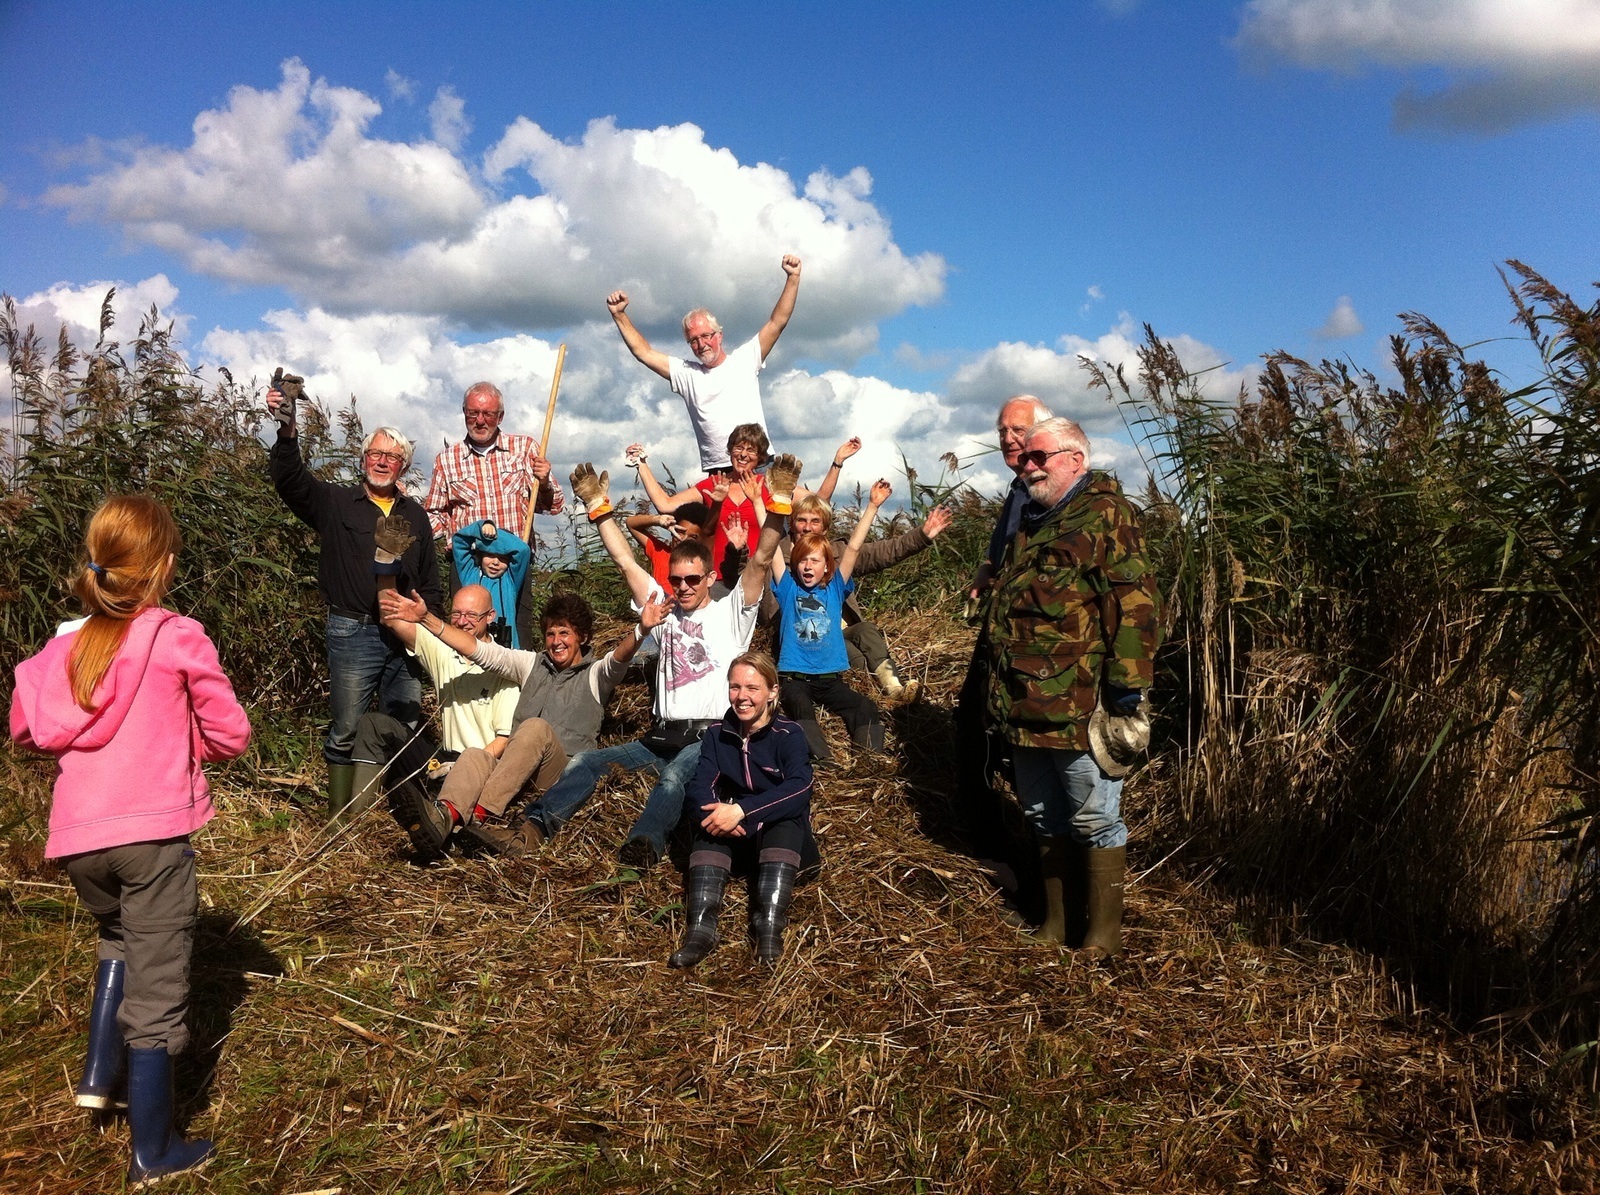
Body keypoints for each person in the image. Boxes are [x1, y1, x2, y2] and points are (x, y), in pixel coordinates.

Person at [9, 495, 251, 1185]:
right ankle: (155, 1148)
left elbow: (27, 726)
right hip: (151, 840)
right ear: (165, 567)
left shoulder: (68, 642)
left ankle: (97, 1077)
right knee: (159, 989)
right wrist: (190, 744)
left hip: (78, 840)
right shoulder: (178, 635)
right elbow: (231, 732)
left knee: (116, 939)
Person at [540, 454, 793, 868]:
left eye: (693, 579)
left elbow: (762, 560)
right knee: (588, 761)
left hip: (709, 736)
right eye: (676, 579)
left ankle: (642, 847)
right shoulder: (663, 609)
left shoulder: (731, 612)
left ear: (710, 578)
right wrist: (599, 508)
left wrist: (779, 502)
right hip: (659, 736)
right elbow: (626, 562)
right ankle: (534, 827)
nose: (684, 587)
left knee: (676, 776)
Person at [979, 417, 1161, 958]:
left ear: (1075, 460)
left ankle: (1102, 934)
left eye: (1041, 457)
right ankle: (1057, 923)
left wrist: (1128, 690)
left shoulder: (1107, 514)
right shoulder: (1033, 519)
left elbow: (1136, 604)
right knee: (1042, 815)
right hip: (1023, 702)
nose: (1028, 465)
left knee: (1094, 818)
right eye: (1025, 458)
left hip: (1080, 701)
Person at [267, 381, 441, 820]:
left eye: (393, 456)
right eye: (375, 454)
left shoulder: (415, 515)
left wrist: (428, 621)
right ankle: (341, 822)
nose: (383, 461)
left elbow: (430, 579)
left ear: (403, 465)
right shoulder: (336, 502)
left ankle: (393, 808)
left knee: (403, 722)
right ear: (364, 459)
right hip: (352, 631)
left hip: (405, 637)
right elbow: (289, 480)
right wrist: (287, 427)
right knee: (345, 727)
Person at [380, 590, 656, 852]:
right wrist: (426, 619)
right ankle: (443, 818)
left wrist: (641, 630)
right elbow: (479, 651)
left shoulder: (597, 675)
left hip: (560, 775)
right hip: (516, 771)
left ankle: (479, 815)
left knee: (535, 728)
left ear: (582, 637)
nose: (556, 641)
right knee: (475, 755)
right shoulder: (530, 664)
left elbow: (619, 659)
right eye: (550, 634)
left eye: (564, 633)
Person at [954, 395, 1054, 903]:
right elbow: (1002, 551)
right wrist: (985, 571)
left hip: (1035, 647)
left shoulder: (1052, 492)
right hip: (999, 635)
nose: (1010, 440)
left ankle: (1038, 879)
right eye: (1003, 432)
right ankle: (996, 852)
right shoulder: (1019, 490)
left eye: (1020, 430)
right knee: (973, 733)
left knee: (1015, 751)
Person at [347, 583, 520, 857]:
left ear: (490, 616)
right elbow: (391, 617)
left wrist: (462, 767)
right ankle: (358, 823)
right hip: (442, 760)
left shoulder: (505, 667)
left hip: (480, 767)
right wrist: (385, 563)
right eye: (457, 614)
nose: (462, 622)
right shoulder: (444, 652)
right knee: (374, 725)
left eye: (472, 615)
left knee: (457, 777)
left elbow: (504, 740)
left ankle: (442, 825)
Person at [669, 653, 814, 968]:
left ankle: (769, 928)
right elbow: (698, 786)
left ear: (772, 692)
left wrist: (743, 810)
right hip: (737, 839)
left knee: (786, 817)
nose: (742, 696)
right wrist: (720, 814)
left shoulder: (789, 734)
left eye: (752, 687)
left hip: (782, 841)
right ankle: (701, 931)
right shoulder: (717, 733)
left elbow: (800, 788)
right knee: (708, 821)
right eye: (735, 687)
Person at [606, 255, 803, 474]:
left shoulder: (745, 359)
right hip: (718, 472)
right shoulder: (687, 374)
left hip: (759, 465)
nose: (701, 344)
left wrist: (793, 278)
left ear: (719, 335)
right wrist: (619, 314)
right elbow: (643, 352)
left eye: (706, 336)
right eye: (693, 340)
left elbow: (778, 322)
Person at [422, 381, 565, 644]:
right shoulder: (447, 459)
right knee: (467, 635)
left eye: (487, 414)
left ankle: (517, 684)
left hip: (514, 563)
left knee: (516, 635)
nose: (479, 420)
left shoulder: (526, 449)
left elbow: (553, 506)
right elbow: (434, 512)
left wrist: (543, 483)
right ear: (464, 413)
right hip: (469, 564)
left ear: (500, 416)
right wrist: (454, 539)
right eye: (473, 413)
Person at [776, 491, 953, 701]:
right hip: (803, 638)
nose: (807, 527)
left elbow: (882, 551)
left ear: (825, 528)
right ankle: (874, 693)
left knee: (867, 630)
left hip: (842, 628)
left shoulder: (838, 553)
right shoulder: (778, 557)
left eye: (815, 521)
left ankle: (895, 688)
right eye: (801, 520)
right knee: (851, 651)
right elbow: (749, 569)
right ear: (791, 522)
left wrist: (921, 535)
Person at [630, 431, 856, 587]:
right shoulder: (713, 484)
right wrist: (641, 464)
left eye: (751, 450)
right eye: (738, 447)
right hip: (716, 576)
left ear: (760, 458)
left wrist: (838, 461)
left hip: (762, 574)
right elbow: (665, 505)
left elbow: (819, 501)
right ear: (730, 451)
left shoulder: (772, 483)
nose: (743, 454)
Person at [770, 479, 893, 764]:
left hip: (830, 680)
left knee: (864, 706)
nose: (808, 566)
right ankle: (823, 762)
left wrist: (872, 506)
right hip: (794, 678)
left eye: (815, 561)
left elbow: (852, 548)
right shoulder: (788, 589)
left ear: (828, 565)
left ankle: (868, 762)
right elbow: (773, 547)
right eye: (802, 561)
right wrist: (763, 501)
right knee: (799, 706)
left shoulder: (836, 588)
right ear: (795, 564)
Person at [451, 519, 530, 647]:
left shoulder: (511, 581)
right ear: (480, 555)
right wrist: (482, 529)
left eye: (503, 558)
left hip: (506, 650)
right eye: (490, 555)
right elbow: (459, 541)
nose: (495, 562)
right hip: (472, 646)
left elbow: (523, 550)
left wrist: (495, 535)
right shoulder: (470, 574)